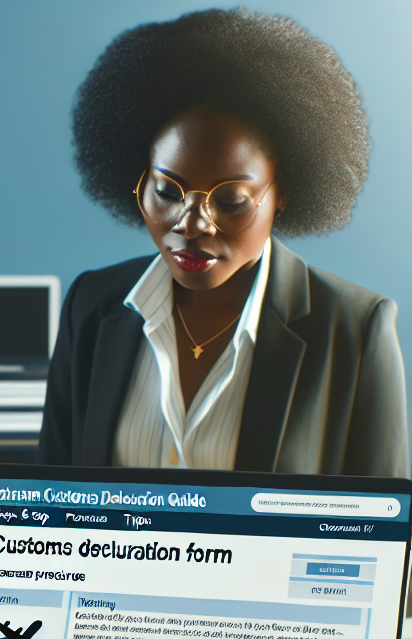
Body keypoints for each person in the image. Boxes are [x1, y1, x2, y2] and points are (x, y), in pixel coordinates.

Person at [38, 8, 409, 477]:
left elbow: (380, 536)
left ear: (284, 191)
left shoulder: (356, 331)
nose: (191, 224)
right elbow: (50, 504)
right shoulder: (91, 308)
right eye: (168, 192)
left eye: (231, 201)